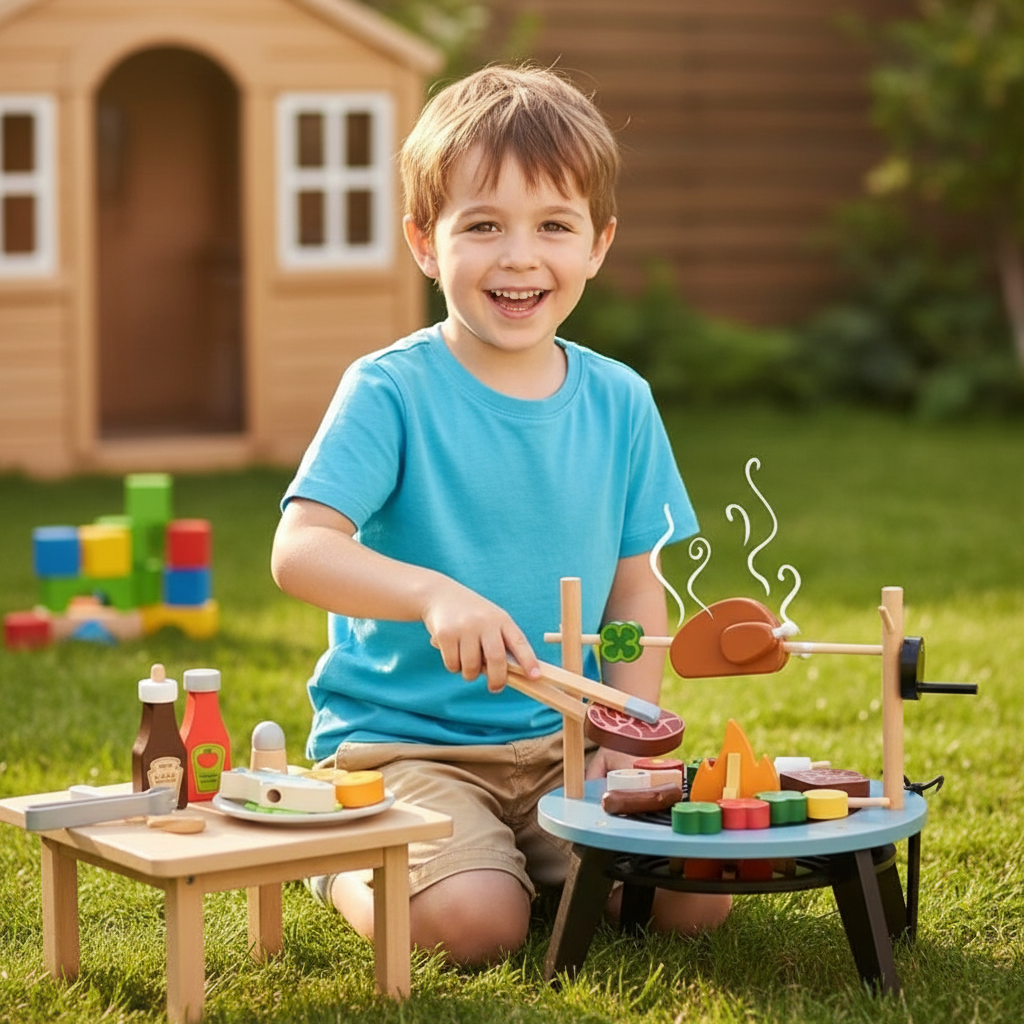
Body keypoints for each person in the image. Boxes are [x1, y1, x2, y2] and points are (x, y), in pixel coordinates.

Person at [270, 63, 732, 966]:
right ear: (424, 243)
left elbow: (635, 589)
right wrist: (434, 595)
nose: (519, 256)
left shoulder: (622, 401)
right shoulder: (389, 390)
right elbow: (300, 550)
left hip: (567, 744)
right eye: (483, 225)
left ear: (598, 244)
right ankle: (337, 857)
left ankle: (531, 853)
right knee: (479, 926)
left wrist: (630, 738)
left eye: (553, 225)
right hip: (409, 748)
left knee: (695, 899)